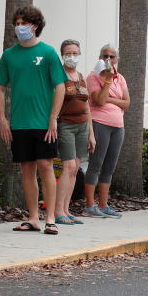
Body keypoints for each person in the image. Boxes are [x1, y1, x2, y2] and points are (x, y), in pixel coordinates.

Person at [0, 6, 66, 235]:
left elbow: (60, 87)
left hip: (43, 123)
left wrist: (53, 118)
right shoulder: (9, 55)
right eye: (17, 22)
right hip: (19, 123)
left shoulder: (48, 53)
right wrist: (2, 120)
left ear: (35, 26)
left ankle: (51, 218)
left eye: (24, 23)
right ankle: (33, 217)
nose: (20, 27)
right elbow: (0, 88)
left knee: (45, 166)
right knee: (26, 169)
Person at [82, 44, 129, 219]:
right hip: (100, 123)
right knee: (96, 164)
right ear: (100, 57)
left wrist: (110, 98)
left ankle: (103, 205)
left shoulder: (121, 78)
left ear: (117, 59)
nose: (108, 59)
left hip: (118, 126)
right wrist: (108, 81)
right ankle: (89, 205)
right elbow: (100, 101)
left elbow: (127, 103)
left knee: (109, 166)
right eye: (105, 56)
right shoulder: (93, 77)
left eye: (112, 56)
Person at [54, 39, 94, 225]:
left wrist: (91, 134)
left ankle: (66, 209)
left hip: (82, 125)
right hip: (66, 124)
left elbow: (87, 107)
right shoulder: (58, 74)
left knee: (75, 169)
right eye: (68, 53)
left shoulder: (80, 76)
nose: (72, 56)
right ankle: (57, 211)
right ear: (62, 54)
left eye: (75, 53)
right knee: (68, 166)